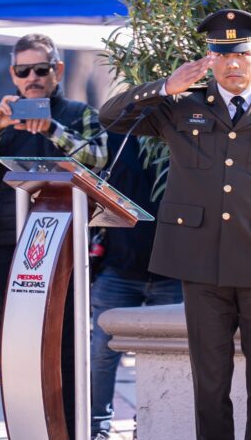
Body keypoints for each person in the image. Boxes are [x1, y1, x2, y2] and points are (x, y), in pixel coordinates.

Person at [99, 9, 251, 439]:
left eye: (241, 53)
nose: (233, 64)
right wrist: (164, 87)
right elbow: (110, 118)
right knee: (209, 386)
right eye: (222, 55)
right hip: (202, 266)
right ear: (209, 58)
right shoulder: (180, 106)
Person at [0, 33, 107, 437]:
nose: (32, 78)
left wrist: (54, 131)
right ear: (13, 74)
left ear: (57, 70)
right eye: (23, 71)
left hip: (66, 250)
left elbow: (99, 159)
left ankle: (73, 429)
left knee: (66, 347)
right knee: (17, 348)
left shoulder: (78, 113)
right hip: (11, 248)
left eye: (40, 69)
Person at [89, 132, 183, 439]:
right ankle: (96, 429)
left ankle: (150, 428)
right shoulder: (116, 138)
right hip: (119, 270)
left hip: (173, 273)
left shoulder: (183, 136)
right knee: (102, 354)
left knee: (167, 359)